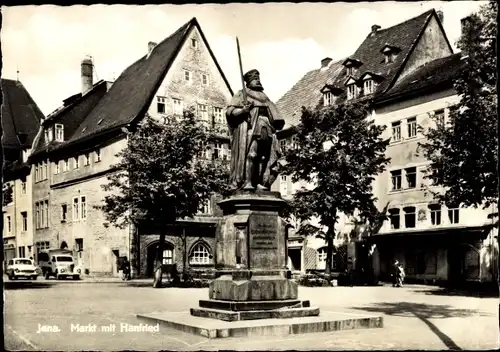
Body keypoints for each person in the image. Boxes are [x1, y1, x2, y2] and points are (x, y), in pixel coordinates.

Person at [226, 69, 285, 190]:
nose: (258, 81)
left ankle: (259, 181)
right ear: (248, 82)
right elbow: (230, 113)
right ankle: (247, 182)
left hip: (267, 128)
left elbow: (274, 114)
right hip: (251, 129)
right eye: (254, 79)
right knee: (252, 154)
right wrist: (243, 111)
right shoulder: (242, 94)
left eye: (258, 79)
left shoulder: (264, 96)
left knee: (264, 157)